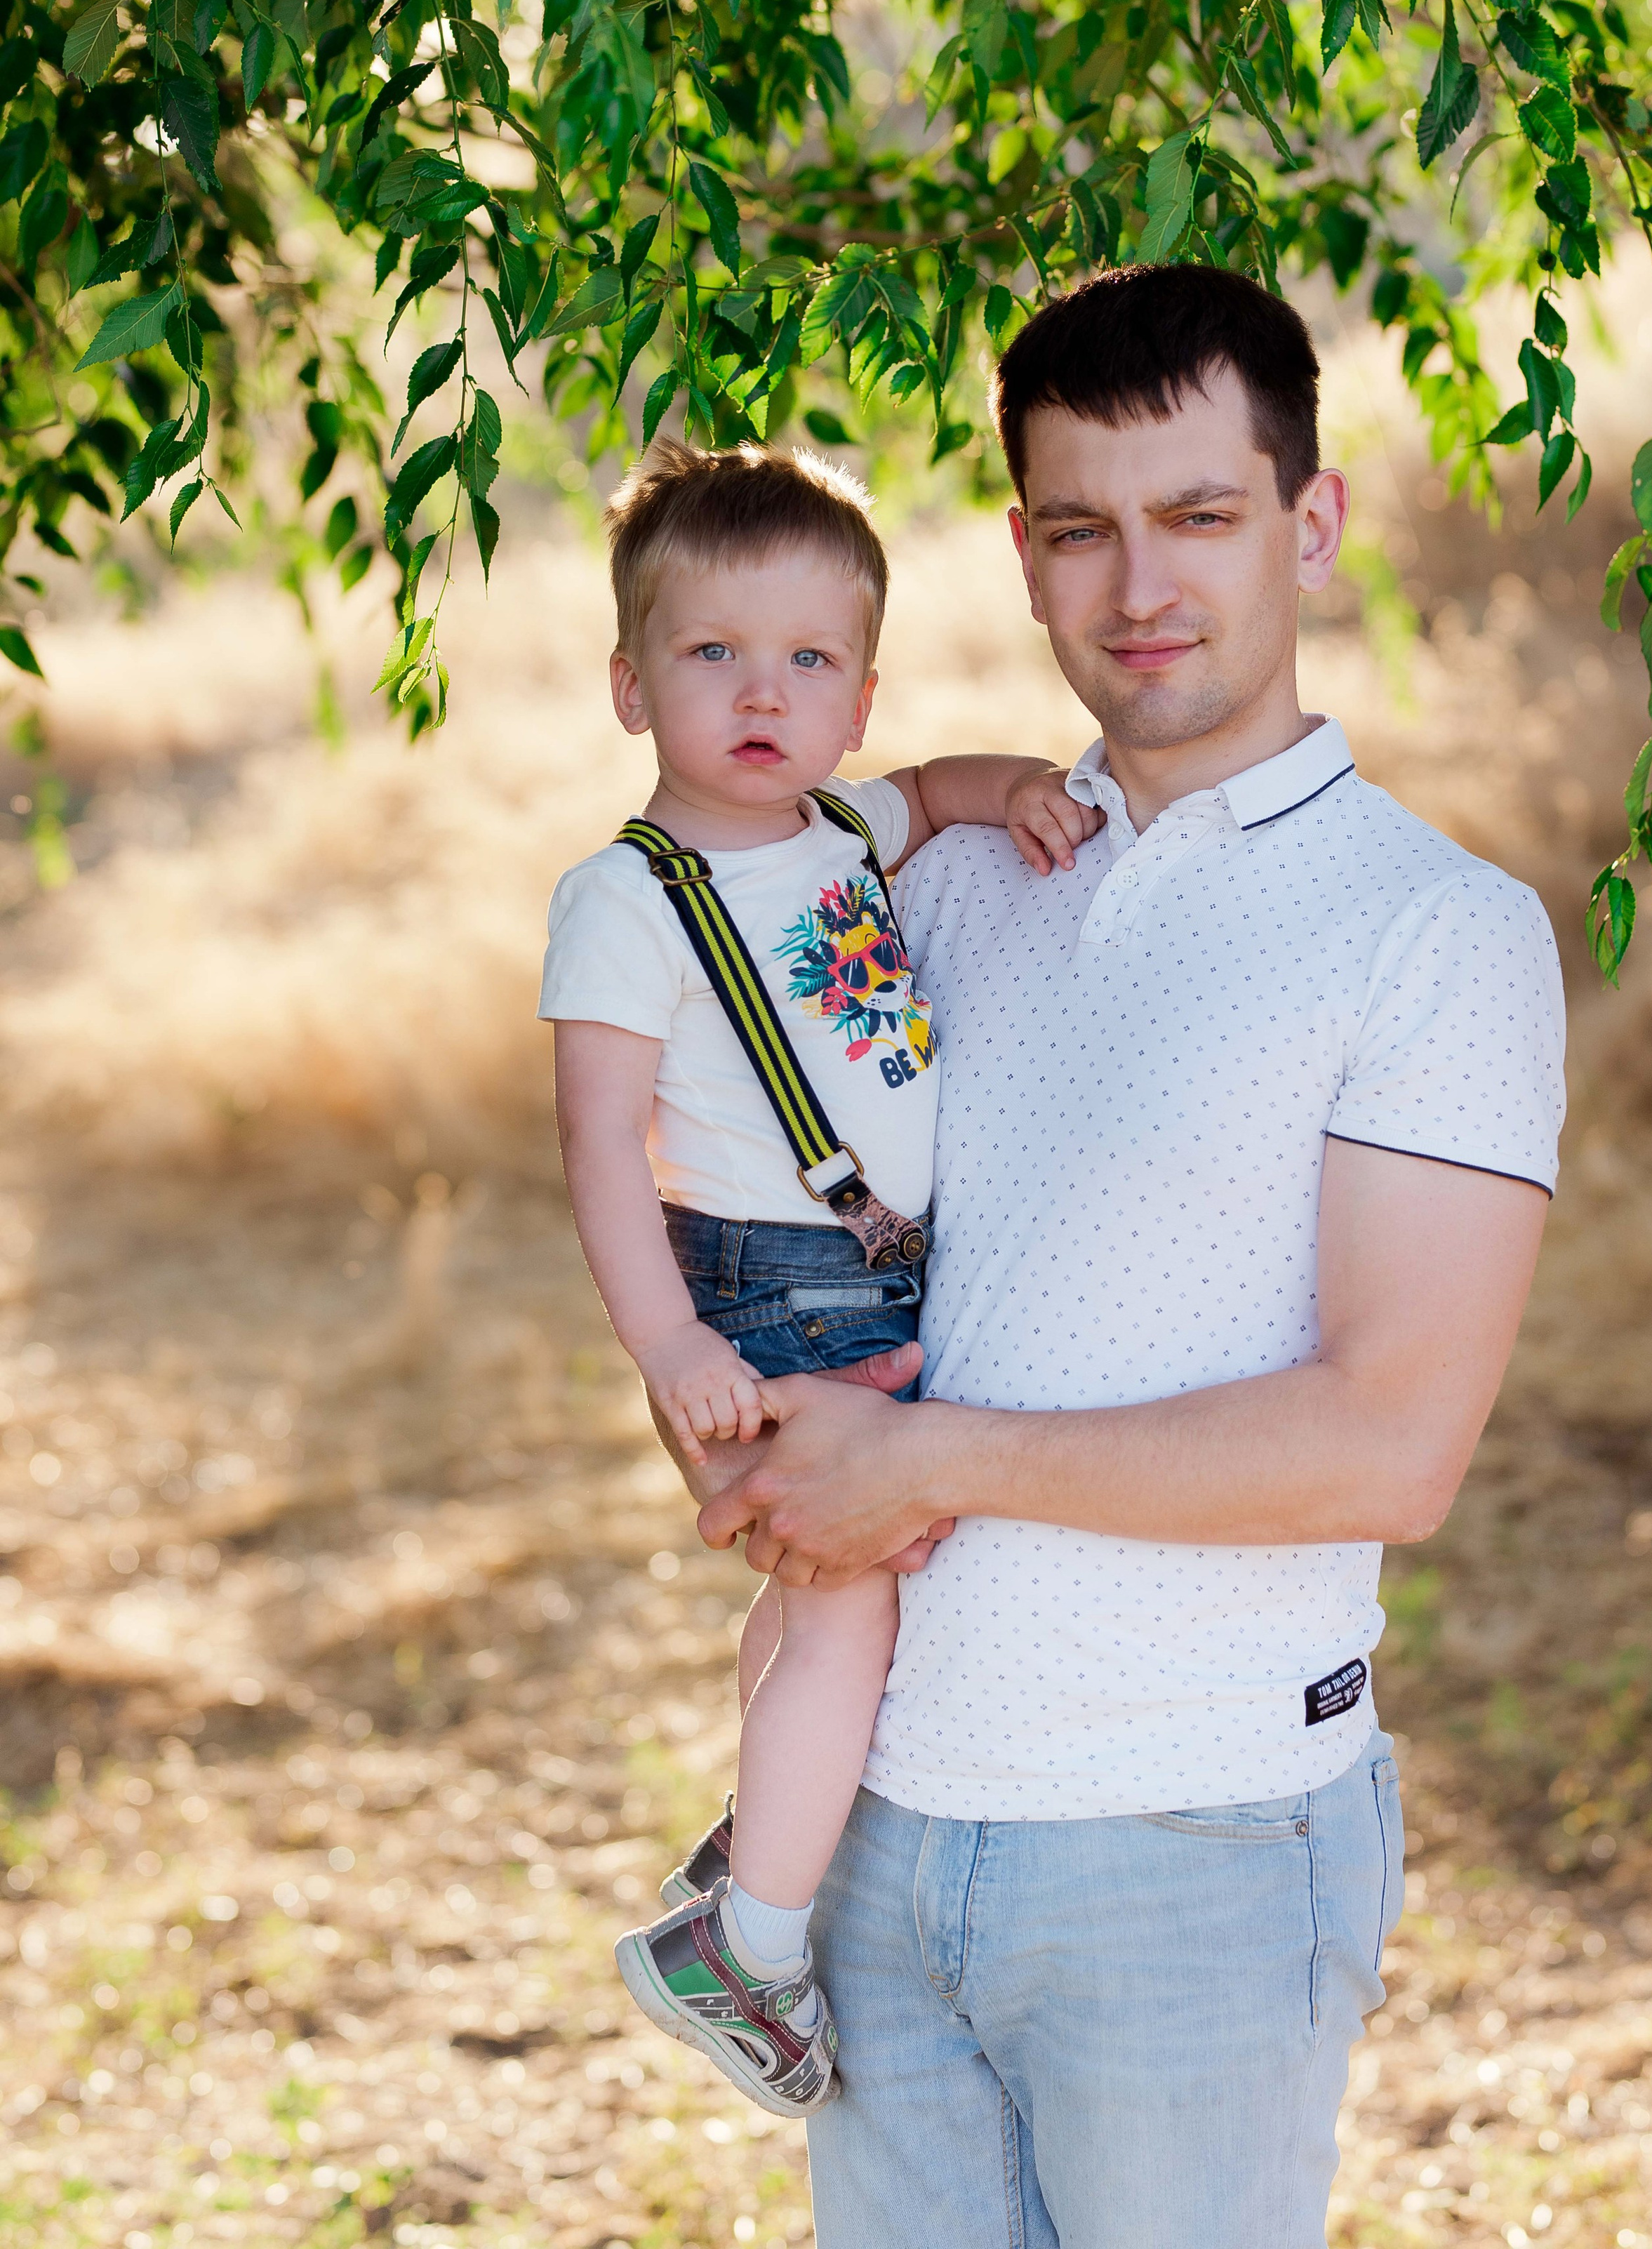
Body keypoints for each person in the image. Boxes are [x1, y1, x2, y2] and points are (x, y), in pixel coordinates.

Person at [697, 263, 1568, 2246]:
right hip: (889, 1832)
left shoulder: (1432, 932)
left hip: (1197, 1842)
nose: (1139, 585)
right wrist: (747, 1424)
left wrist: (929, 1464)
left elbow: (1389, 1447)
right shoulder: (940, 877)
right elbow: (746, 1160)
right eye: (1082, 527)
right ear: (1019, 552)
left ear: (1312, 523)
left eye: (1200, 515)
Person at [539, 437, 1100, 2117]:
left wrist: (1009, 788)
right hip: (776, 1291)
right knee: (850, 1591)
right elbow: (597, 1152)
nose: (761, 692)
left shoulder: (844, 816)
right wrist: (668, 1346)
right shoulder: (625, 899)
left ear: (857, 694)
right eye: (713, 654)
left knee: (812, 1597)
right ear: (632, 686)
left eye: (808, 659)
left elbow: (935, 790)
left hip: (870, 1277)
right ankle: (751, 1943)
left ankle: (752, 1846)